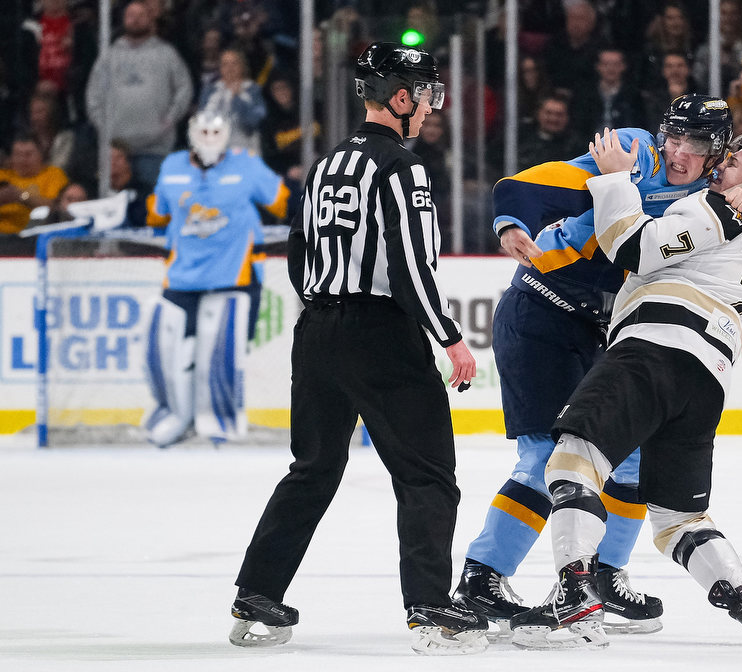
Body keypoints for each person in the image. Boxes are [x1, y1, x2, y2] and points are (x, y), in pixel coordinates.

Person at [452, 95, 742, 636]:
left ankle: (601, 577)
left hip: (610, 330)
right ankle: (483, 577)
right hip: (543, 312)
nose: (680, 152)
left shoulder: (718, 188)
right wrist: (510, 225)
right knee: (548, 455)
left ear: (720, 151)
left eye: (698, 143)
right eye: (675, 137)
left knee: (633, 460)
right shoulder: (634, 152)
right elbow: (521, 188)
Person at [229, 42, 488, 656]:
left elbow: (297, 257)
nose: (428, 108)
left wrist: (326, 314)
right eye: (424, 96)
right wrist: (449, 339)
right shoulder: (404, 168)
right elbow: (411, 270)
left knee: (313, 469)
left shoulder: (321, 166)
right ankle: (430, 607)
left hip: (316, 331)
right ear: (399, 99)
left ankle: (256, 594)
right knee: (428, 475)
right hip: (381, 337)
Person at [143, 111, 290, 447]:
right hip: (183, 278)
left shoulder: (247, 165)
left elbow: (282, 202)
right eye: (203, 131)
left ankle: (219, 422)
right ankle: (179, 417)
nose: (209, 137)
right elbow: (157, 211)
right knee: (171, 351)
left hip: (235, 278)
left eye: (216, 131)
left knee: (223, 353)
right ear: (192, 133)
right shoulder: (172, 167)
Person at [85, 0, 193, 191]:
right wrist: (103, 126)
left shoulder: (167, 54)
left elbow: (184, 89)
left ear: (150, 19)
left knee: (155, 203)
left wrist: (169, 119)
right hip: (117, 150)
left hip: (155, 149)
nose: (135, 21)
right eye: (130, 16)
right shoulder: (109, 56)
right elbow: (93, 94)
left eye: (140, 16)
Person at [0, 133, 69, 234]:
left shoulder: (53, 175)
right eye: (18, 154)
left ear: (41, 155)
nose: (23, 159)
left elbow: (56, 207)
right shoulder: (3, 175)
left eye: (28, 154)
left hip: (37, 234)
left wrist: (21, 196)